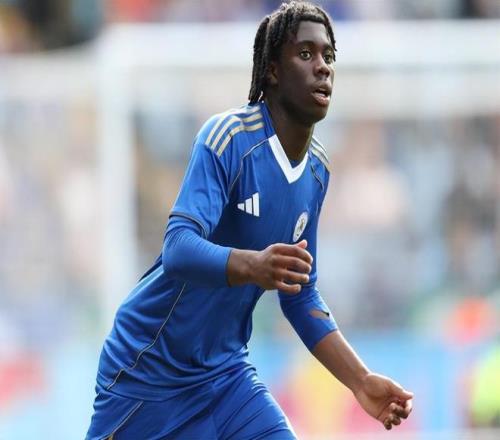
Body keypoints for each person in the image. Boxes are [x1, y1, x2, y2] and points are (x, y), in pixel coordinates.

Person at [87, 1, 413, 438]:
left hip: (226, 376)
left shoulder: (317, 172)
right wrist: (253, 265)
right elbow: (178, 248)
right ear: (272, 70)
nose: (322, 67)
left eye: (329, 56)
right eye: (306, 54)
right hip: (149, 373)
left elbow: (300, 292)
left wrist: (360, 380)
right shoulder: (228, 139)